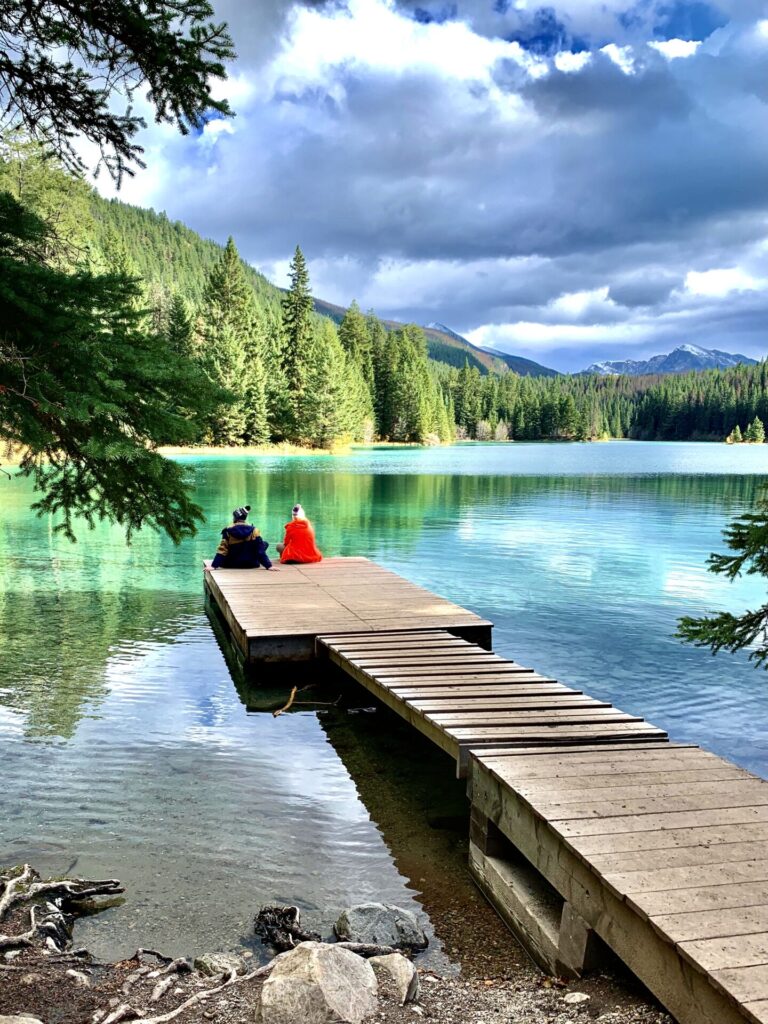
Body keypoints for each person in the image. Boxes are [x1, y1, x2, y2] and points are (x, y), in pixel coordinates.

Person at [210, 505, 277, 570]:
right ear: (245, 518)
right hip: (251, 564)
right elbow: (260, 551)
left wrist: (213, 566)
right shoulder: (254, 531)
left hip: (230, 564)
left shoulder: (227, 531)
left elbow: (222, 550)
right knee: (263, 544)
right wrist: (269, 566)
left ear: (234, 518)